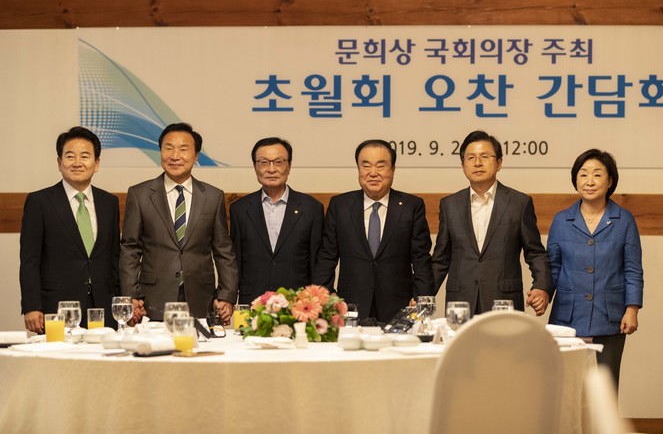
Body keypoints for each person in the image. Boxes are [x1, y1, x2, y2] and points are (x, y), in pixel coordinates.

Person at [119, 122, 238, 323]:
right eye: (168, 148)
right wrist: (131, 294)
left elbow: (223, 251)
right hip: (153, 297)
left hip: (201, 297)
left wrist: (227, 294)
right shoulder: (140, 194)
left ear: (196, 155)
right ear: (160, 152)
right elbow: (130, 248)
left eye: (183, 149)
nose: (175, 156)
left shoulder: (213, 196)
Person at [547, 149, 643, 388]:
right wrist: (543, 293)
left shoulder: (624, 219)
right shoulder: (561, 220)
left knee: (604, 391)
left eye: (597, 175)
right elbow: (553, 268)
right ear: (575, 180)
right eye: (583, 174)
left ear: (609, 181)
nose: (589, 181)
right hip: (567, 318)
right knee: (566, 391)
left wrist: (632, 309)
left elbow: (632, 269)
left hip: (609, 318)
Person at [313, 139, 434, 323]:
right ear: (358, 169)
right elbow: (326, 257)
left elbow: (421, 259)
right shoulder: (340, 206)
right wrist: (327, 296)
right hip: (350, 307)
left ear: (393, 170)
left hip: (400, 307)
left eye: (380, 166)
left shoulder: (411, 206)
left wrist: (421, 300)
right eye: (366, 165)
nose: (373, 173)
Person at [432, 130, 552, 315]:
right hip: (460, 303)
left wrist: (541, 286)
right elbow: (440, 259)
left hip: (504, 301)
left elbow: (535, 252)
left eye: (485, 156)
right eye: (471, 157)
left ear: (499, 163)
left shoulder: (519, 203)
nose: (477, 163)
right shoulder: (450, 205)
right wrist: (421, 294)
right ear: (462, 165)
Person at [20, 126, 120, 332]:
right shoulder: (40, 202)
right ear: (59, 162)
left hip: (102, 305)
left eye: (85, 156)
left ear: (96, 163)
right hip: (57, 306)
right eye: (70, 156)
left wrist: (120, 300)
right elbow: (30, 260)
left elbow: (114, 258)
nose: (77, 163)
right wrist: (32, 306)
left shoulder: (109, 202)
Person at [229, 137, 324, 304]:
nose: (271, 169)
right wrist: (229, 298)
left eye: (278, 162)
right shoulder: (240, 209)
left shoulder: (311, 208)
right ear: (255, 167)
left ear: (289, 166)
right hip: (253, 301)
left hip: (298, 303)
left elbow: (317, 262)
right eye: (264, 162)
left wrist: (316, 301)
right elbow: (234, 261)